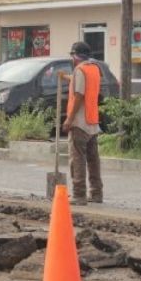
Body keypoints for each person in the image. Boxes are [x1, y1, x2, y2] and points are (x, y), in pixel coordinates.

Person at [59, 41, 103, 206]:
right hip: (92, 121)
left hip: (79, 122)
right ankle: (96, 193)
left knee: (77, 159)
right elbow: (85, 82)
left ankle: (78, 194)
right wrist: (65, 77)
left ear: (75, 56)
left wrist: (69, 119)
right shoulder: (94, 69)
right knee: (93, 160)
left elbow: (78, 95)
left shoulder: (79, 70)